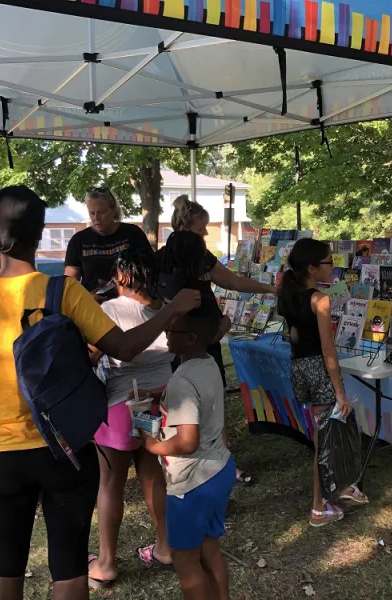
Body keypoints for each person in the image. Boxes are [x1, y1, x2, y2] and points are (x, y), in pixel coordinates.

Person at [0, 185, 200, 600]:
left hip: (1, 452)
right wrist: (171, 309)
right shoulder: (65, 293)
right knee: (69, 567)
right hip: (65, 449)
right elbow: (123, 347)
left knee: (5, 566)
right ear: (39, 232)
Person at [162, 194, 276, 486]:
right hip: (199, 342)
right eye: (202, 230)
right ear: (188, 227)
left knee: (189, 403)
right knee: (208, 402)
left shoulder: (167, 256)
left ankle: (208, 460)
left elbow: (231, 282)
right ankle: (217, 463)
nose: (205, 235)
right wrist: (270, 290)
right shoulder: (190, 257)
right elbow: (233, 282)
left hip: (190, 342)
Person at [88, 247, 174, 587]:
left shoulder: (108, 309)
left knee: (111, 483)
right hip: (161, 403)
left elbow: (92, 356)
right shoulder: (167, 310)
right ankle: (165, 547)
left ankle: (107, 563)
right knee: (153, 475)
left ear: (123, 276)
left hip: (121, 406)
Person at [140, 296, 235, 600]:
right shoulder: (207, 364)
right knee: (210, 551)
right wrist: (160, 397)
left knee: (186, 563)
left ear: (190, 338)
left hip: (192, 483)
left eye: (172, 330)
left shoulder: (182, 380)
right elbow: (199, 402)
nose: (166, 332)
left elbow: (186, 441)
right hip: (219, 469)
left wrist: (153, 445)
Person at [277, 238, 368, 527]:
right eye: (329, 262)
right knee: (323, 441)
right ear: (312, 268)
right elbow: (329, 351)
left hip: (299, 368)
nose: (333, 267)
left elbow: (293, 336)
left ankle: (339, 488)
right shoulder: (320, 300)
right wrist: (340, 392)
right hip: (319, 370)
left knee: (325, 434)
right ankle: (319, 506)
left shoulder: (290, 294)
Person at [65, 187, 152, 295]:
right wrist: (86, 299)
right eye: (92, 213)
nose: (96, 218)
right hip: (93, 305)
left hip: (129, 302)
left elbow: (149, 270)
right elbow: (70, 282)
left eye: (101, 212)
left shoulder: (133, 233)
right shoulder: (78, 240)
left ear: (113, 210)